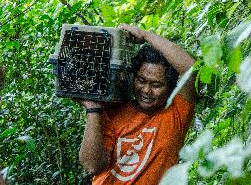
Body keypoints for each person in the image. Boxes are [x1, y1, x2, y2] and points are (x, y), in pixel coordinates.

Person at [77, 24, 196, 185]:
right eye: (141, 80)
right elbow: (92, 166)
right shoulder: (114, 110)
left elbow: (191, 69)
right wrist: (93, 109)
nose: (146, 90)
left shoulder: (177, 112)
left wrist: (144, 35)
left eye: (156, 85)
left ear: (170, 87)